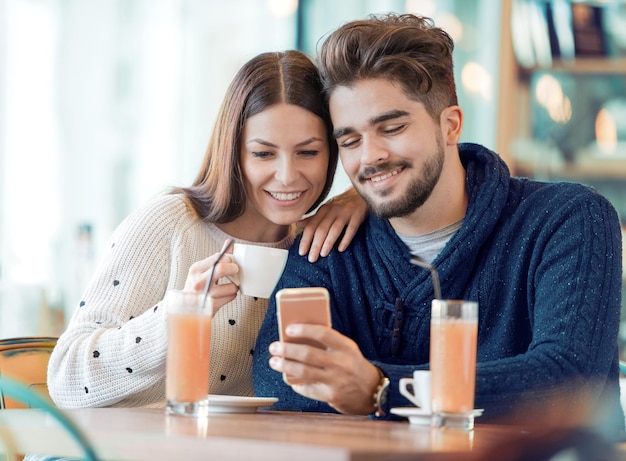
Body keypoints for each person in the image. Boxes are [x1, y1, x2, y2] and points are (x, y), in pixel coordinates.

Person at [253, 13, 625, 438]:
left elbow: (570, 380)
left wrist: (383, 389)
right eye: (350, 140)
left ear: (450, 125)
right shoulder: (330, 244)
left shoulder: (568, 218)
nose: (370, 156)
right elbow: (278, 379)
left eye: (391, 128)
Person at [47, 50, 367, 409]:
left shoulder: (316, 243)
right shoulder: (172, 223)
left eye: (308, 152)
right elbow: (66, 378)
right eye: (263, 154)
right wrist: (181, 312)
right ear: (234, 152)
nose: (288, 176)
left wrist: (364, 195)